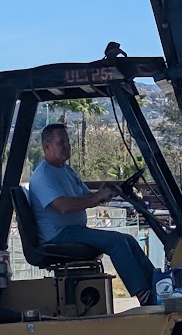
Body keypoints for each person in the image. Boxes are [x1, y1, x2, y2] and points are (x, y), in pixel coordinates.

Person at [29, 123, 155, 306]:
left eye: (68, 142)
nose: (67, 147)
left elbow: (86, 195)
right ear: (47, 146)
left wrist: (104, 193)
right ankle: (144, 295)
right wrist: (96, 198)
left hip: (74, 230)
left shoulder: (66, 170)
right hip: (58, 234)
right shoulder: (43, 177)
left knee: (128, 240)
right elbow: (62, 206)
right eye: (61, 142)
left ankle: (157, 285)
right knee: (116, 241)